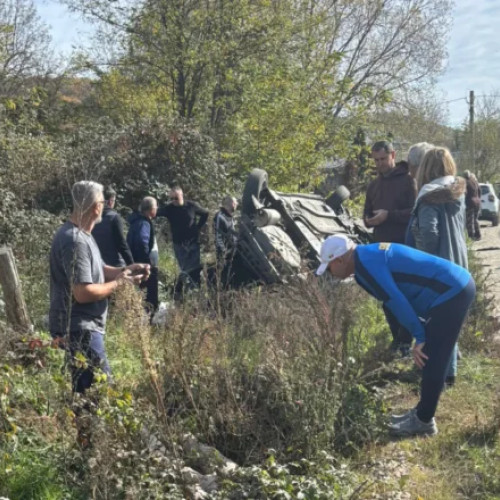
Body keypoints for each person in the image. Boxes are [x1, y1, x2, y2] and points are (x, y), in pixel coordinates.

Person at [316, 234, 475, 437]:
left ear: (339, 259)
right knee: (433, 352)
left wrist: (420, 336)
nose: (330, 273)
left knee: (431, 355)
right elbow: (399, 298)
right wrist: (421, 330)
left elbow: (396, 301)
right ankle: (420, 414)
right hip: (452, 286)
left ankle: (424, 421)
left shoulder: (366, 267)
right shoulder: (366, 256)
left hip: (451, 291)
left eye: (329, 267)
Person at [49, 181, 150, 394]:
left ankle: (83, 426)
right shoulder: (74, 240)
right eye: (103, 201)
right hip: (81, 330)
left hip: (85, 328)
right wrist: (119, 284)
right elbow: (83, 292)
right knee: (99, 395)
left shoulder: (83, 235)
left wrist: (128, 270)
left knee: (88, 396)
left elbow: (99, 269)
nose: (105, 206)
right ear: (96, 206)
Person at [410, 147, 468, 387]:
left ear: (425, 169)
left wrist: (424, 261)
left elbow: (429, 232)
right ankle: (449, 372)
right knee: (451, 319)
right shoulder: (458, 193)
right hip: (459, 262)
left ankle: (440, 374)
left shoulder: (428, 197)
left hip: (439, 265)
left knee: (436, 321)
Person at [364, 141, 417, 356]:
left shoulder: (408, 181)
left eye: (383, 159)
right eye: (376, 160)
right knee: (387, 298)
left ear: (393, 155)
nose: (380, 164)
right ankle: (397, 340)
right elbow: (366, 214)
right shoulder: (374, 185)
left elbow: (415, 212)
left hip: (403, 247)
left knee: (404, 296)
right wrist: (371, 220)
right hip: (380, 248)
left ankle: (406, 342)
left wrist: (389, 215)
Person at [156, 186, 209, 283]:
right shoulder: (169, 208)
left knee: (195, 269)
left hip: (193, 242)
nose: (174, 201)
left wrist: (198, 227)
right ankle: (186, 290)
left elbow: (205, 213)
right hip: (179, 244)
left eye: (176, 198)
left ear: (182, 196)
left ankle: (196, 290)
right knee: (185, 269)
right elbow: (155, 212)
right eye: (171, 198)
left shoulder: (191, 206)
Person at [127, 197, 159, 313]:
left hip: (135, 263)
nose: (157, 209)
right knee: (150, 299)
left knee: (140, 295)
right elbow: (141, 242)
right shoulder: (144, 223)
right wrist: (146, 263)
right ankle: (147, 323)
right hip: (143, 266)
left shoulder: (137, 221)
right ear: (151, 209)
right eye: (156, 207)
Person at [92, 186, 134, 267]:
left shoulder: (90, 218)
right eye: (114, 201)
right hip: (115, 264)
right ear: (110, 201)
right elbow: (121, 244)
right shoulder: (114, 218)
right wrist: (131, 264)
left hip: (97, 265)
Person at [214, 195, 238, 261]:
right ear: (232, 204)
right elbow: (217, 236)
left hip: (232, 251)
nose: (237, 204)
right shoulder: (220, 216)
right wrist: (223, 251)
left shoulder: (230, 216)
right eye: (236, 202)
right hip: (224, 254)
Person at [463, 170, 481, 241]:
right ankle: (478, 234)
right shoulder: (475, 182)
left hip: (469, 203)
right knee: (475, 219)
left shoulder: (466, 183)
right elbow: (479, 191)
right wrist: (478, 199)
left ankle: (471, 236)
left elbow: (464, 193)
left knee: (470, 220)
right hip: (477, 202)